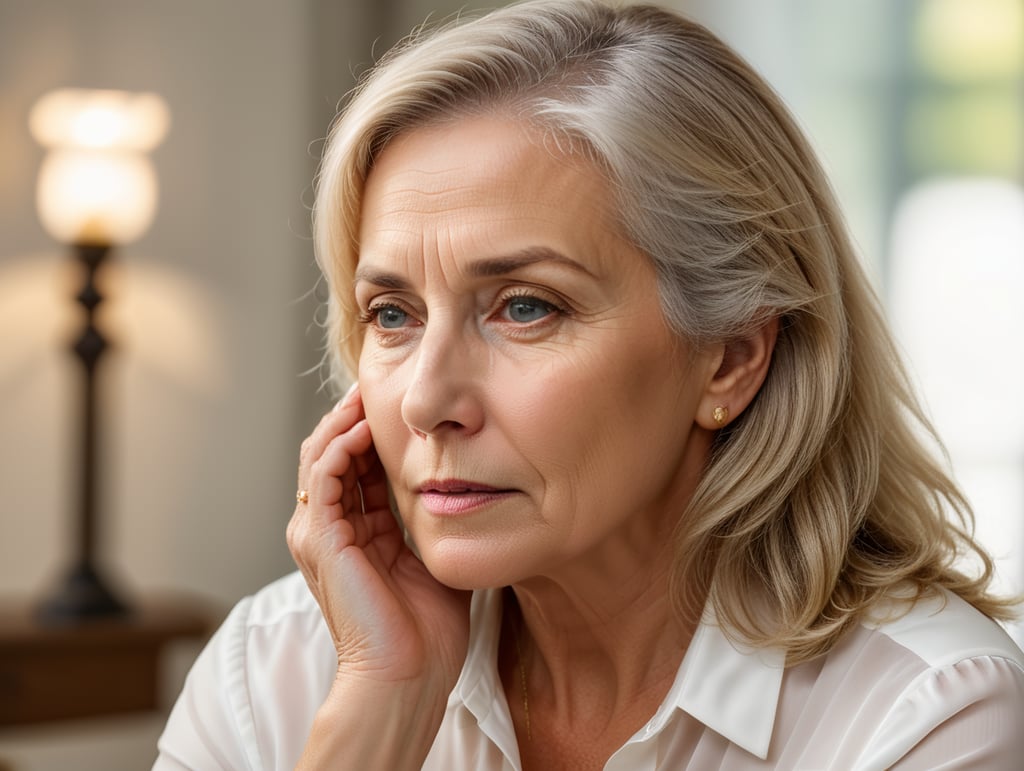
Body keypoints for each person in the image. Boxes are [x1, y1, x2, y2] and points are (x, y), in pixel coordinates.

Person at [154, 1, 1024, 768]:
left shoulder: (929, 717)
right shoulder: (267, 671)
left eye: (525, 307)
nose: (426, 400)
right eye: (392, 313)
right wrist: (384, 704)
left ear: (729, 356)